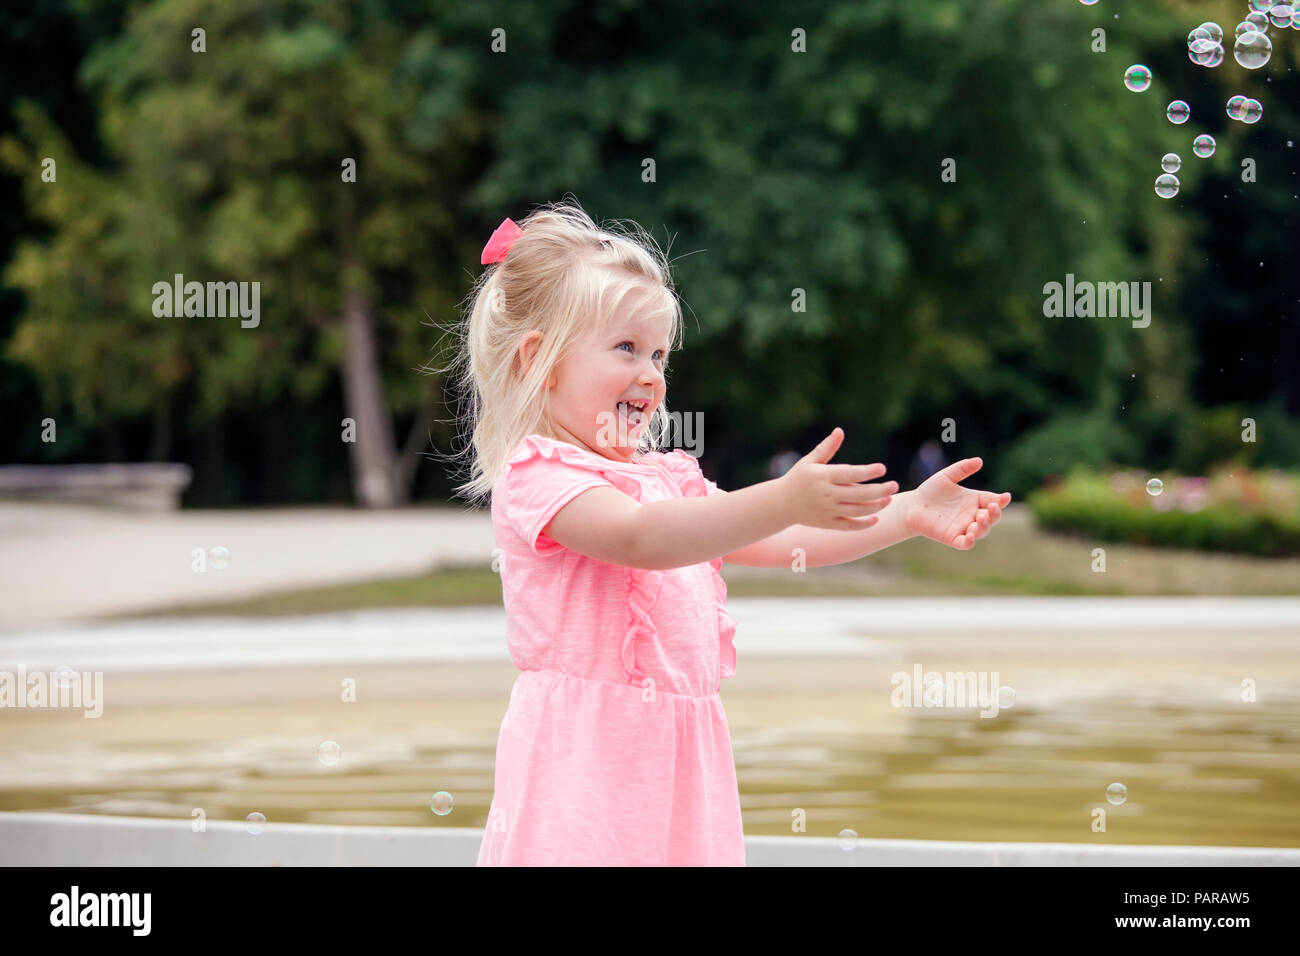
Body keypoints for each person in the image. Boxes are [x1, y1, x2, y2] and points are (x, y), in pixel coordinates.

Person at [451, 199, 1012, 866]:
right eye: (625, 347)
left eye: (659, 353)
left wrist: (908, 513)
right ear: (539, 360)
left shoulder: (668, 480)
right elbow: (639, 538)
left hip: (681, 767)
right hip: (584, 770)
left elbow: (784, 543)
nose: (651, 373)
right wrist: (781, 497)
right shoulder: (539, 474)